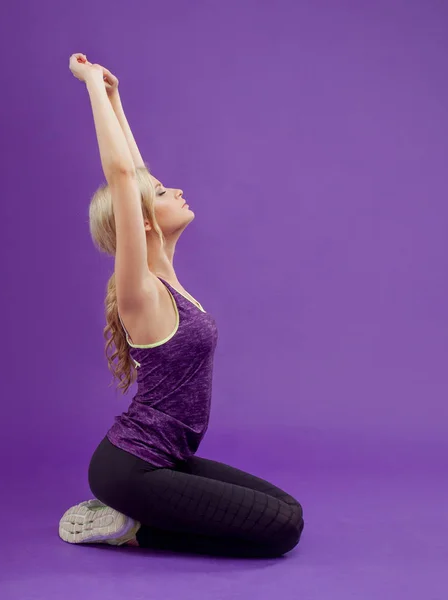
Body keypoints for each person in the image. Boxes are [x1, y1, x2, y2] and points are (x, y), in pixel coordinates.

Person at [58, 54, 304, 558]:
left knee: (287, 509)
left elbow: (137, 173)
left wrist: (115, 96)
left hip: (166, 458)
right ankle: (126, 527)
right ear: (145, 221)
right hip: (130, 469)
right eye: (165, 193)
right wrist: (87, 85)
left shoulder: (166, 274)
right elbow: (125, 176)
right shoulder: (138, 290)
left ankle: (135, 518)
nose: (178, 190)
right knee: (280, 531)